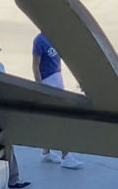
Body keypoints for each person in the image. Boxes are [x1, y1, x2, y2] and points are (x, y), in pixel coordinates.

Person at [0, 38, 29, 189]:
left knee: (8, 146)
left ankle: (13, 179)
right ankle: (9, 179)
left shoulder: (0, 66)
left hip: (2, 112)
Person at [33, 34, 82, 169]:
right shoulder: (39, 41)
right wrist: (40, 87)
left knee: (52, 119)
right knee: (59, 119)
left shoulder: (57, 36)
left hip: (58, 78)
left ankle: (46, 152)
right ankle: (65, 156)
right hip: (48, 81)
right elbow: (35, 66)